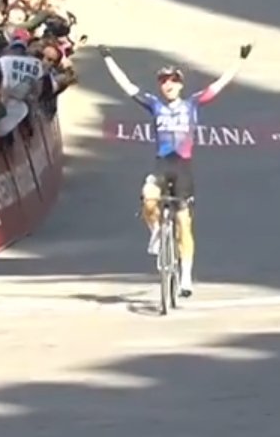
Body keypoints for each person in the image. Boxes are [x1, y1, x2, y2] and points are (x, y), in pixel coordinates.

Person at [100, 42, 251, 298]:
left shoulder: (192, 104)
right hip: (162, 164)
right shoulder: (154, 105)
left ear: (180, 84)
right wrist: (108, 59)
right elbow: (127, 86)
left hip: (183, 168)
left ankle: (186, 277)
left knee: (184, 223)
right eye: (163, 81)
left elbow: (219, 84)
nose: (167, 85)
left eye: (172, 81)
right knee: (148, 197)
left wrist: (240, 60)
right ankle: (157, 233)